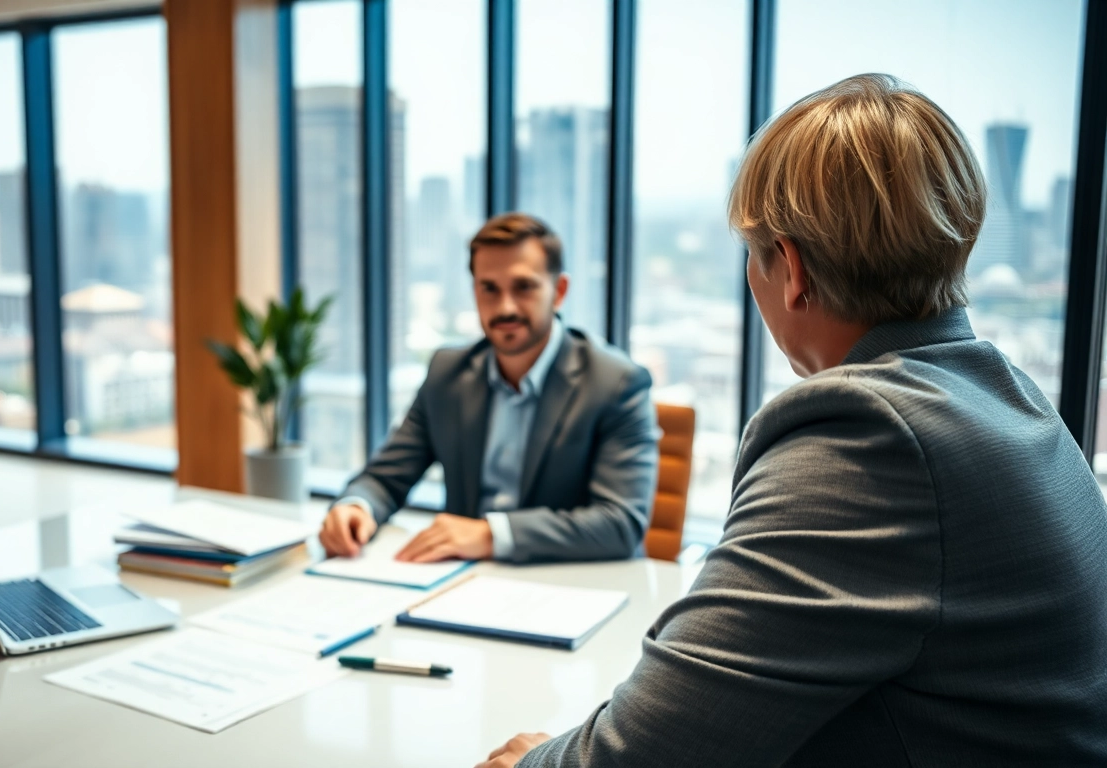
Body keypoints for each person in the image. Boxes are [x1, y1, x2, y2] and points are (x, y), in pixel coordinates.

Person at [481, 74, 1107, 767]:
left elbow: (649, 755)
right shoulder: (1003, 393)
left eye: (753, 252)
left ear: (793, 268)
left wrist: (533, 763)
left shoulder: (868, 439)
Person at [317, 212, 659, 564]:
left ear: (559, 292)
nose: (505, 307)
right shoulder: (448, 373)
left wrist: (491, 535)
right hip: (460, 581)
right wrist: (356, 506)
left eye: (524, 287)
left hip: (570, 588)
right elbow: (386, 478)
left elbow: (620, 523)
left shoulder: (616, 382)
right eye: (489, 289)